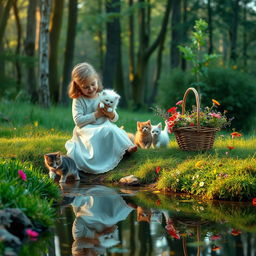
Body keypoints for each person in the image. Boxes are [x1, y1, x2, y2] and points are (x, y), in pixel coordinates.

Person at [65, 62, 137, 174]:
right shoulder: (78, 99)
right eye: (85, 87)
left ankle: (127, 148)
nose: (91, 88)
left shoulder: (102, 95)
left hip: (104, 124)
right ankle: (111, 155)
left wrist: (110, 114)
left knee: (114, 130)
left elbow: (115, 118)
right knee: (104, 131)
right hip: (87, 129)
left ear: (97, 80)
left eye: (93, 84)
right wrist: (97, 114)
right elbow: (78, 121)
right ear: (78, 86)